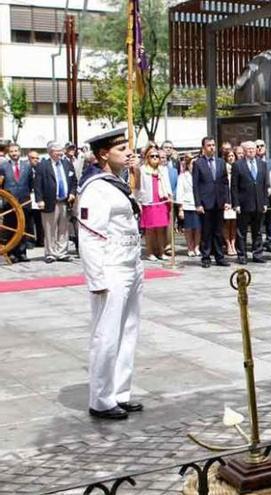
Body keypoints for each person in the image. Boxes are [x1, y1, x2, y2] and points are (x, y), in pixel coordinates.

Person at [76, 128, 143, 420]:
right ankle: (101, 399)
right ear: (103, 154)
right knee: (107, 334)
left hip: (131, 262)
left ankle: (120, 392)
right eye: (121, 149)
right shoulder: (95, 188)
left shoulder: (118, 183)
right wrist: (97, 280)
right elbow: (90, 238)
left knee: (128, 330)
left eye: (128, 147)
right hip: (111, 266)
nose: (128, 152)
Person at [34, 141, 77, 263]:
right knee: (49, 228)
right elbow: (37, 185)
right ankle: (50, 253)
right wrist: (39, 200)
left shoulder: (66, 164)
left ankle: (62, 252)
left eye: (61, 150)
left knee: (64, 228)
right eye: (57, 151)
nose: (60, 153)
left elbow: (74, 180)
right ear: (50, 152)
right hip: (49, 202)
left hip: (64, 202)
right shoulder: (42, 166)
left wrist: (72, 193)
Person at [192, 137, 231, 268]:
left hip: (219, 202)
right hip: (205, 202)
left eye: (213, 145)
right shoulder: (198, 163)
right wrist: (198, 203)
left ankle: (220, 257)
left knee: (219, 231)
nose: (212, 148)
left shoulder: (220, 162)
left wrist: (227, 200)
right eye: (209, 145)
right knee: (206, 232)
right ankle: (206, 257)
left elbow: (225, 183)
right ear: (203, 147)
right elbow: (195, 185)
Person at [230, 141, 270, 264]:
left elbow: (264, 185)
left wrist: (265, 203)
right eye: (248, 149)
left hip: (258, 203)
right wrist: (235, 204)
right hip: (243, 204)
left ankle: (257, 254)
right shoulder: (238, 165)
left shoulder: (262, 164)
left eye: (253, 148)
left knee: (257, 231)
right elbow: (234, 187)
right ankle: (242, 255)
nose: (251, 150)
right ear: (244, 150)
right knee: (241, 231)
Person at [137, 145, 172, 261]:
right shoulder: (142, 170)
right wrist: (139, 202)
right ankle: (150, 252)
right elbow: (139, 187)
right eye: (152, 156)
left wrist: (170, 196)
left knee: (161, 228)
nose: (155, 158)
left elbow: (167, 185)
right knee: (150, 229)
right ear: (147, 157)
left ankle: (162, 252)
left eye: (157, 156)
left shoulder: (163, 169)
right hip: (149, 202)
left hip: (162, 201)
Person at [0, 143, 33, 262]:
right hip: (9, 203)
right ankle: (11, 253)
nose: (14, 153)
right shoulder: (3, 166)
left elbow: (30, 183)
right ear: (9, 153)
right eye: (12, 151)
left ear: (20, 152)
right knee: (10, 228)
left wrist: (26, 196)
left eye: (16, 151)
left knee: (24, 228)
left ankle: (22, 253)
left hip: (24, 201)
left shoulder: (27, 166)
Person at [175, 155, 201, 257]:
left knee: (198, 228)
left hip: (198, 205)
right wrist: (180, 208)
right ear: (188, 165)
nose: (193, 167)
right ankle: (190, 247)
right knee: (189, 228)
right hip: (187, 205)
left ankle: (197, 247)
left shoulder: (199, 176)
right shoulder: (182, 176)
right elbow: (179, 192)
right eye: (191, 164)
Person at [222, 149, 238, 258]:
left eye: (233, 156)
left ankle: (233, 244)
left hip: (235, 201)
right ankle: (228, 244)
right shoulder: (223, 170)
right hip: (227, 201)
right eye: (229, 156)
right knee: (227, 224)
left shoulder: (238, 169)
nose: (231, 158)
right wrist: (225, 201)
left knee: (235, 224)